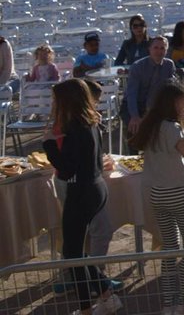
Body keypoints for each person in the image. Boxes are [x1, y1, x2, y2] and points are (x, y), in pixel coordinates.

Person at [128, 82, 184, 315]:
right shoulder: (171, 128)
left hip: (156, 193)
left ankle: (168, 304)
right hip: (178, 192)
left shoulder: (151, 125)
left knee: (169, 248)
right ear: (175, 102)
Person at [42, 79, 122, 315]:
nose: (54, 104)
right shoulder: (91, 123)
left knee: (73, 254)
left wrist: (48, 144)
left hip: (81, 193)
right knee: (75, 251)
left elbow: (67, 169)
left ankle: (87, 308)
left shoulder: (74, 128)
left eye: (56, 100)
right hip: (96, 188)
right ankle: (106, 294)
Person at [122, 36, 176, 135]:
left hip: (156, 104)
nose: (159, 51)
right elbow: (132, 93)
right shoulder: (137, 66)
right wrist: (135, 116)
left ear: (166, 51)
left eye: (162, 48)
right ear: (149, 49)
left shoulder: (169, 65)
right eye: (156, 48)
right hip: (136, 103)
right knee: (136, 128)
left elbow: (171, 89)